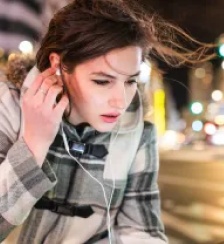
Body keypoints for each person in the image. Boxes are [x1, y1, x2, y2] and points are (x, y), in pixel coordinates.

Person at [0, 0, 215, 244]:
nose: (120, 102)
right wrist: (33, 143)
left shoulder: (137, 134)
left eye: (131, 81)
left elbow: (141, 230)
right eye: (102, 81)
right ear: (58, 66)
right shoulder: (7, 108)